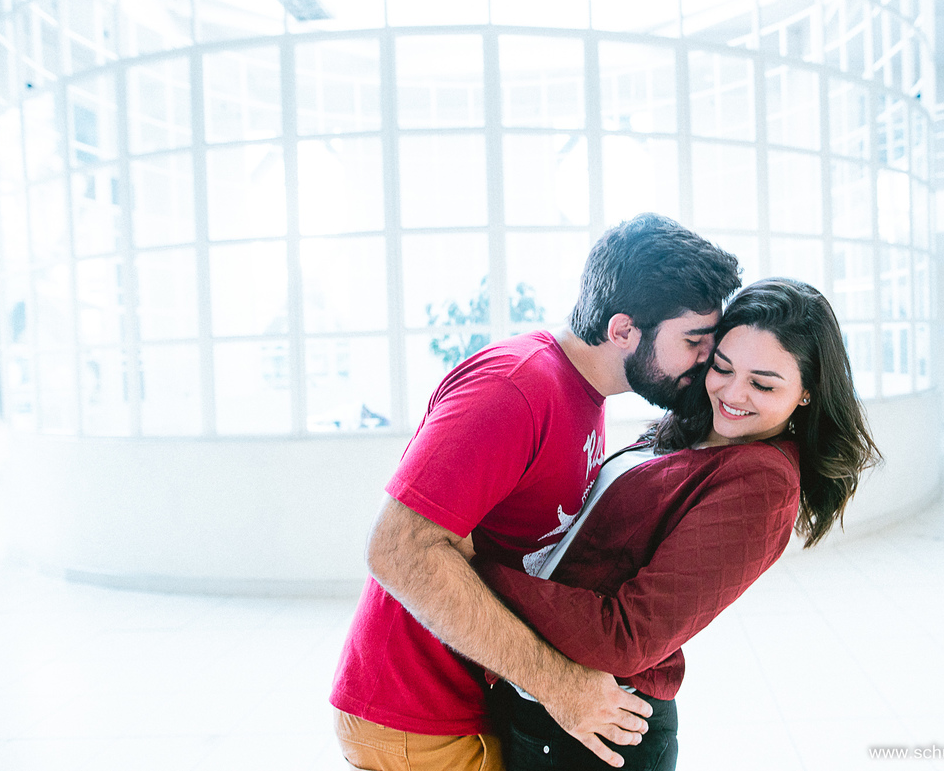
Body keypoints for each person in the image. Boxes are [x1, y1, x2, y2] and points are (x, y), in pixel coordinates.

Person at [330, 213, 742, 771]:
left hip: (473, 701)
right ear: (623, 331)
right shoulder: (516, 388)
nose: (707, 360)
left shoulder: (582, 392)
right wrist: (561, 686)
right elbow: (397, 549)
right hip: (416, 713)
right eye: (694, 341)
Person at [474, 278, 881, 771]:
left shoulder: (764, 482)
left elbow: (628, 638)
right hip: (551, 703)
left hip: (602, 731)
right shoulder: (694, 427)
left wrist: (476, 574)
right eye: (723, 368)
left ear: (807, 393)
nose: (733, 393)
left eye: (763, 384)